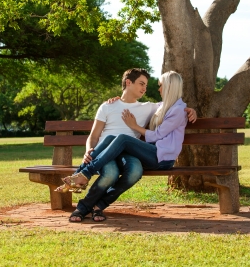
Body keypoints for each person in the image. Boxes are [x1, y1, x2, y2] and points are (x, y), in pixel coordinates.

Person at [55, 69, 197, 222]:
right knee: (110, 153)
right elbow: (94, 136)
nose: (147, 88)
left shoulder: (149, 107)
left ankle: (86, 180)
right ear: (128, 83)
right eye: (141, 84)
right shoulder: (108, 106)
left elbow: (172, 109)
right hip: (106, 153)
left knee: (135, 169)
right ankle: (84, 207)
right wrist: (88, 151)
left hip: (133, 154)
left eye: (150, 85)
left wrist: (189, 110)